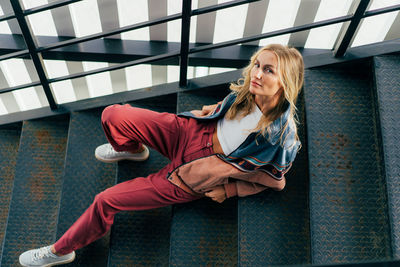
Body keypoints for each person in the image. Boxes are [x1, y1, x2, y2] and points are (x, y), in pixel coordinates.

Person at [19, 43, 304, 267]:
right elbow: (226, 108)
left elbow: (277, 182)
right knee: (113, 115)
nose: (256, 74)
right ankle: (132, 149)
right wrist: (206, 112)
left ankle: (60, 251)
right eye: (257, 64)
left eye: (268, 70)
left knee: (105, 200)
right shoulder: (249, 90)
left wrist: (229, 190)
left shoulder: (281, 138)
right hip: (189, 132)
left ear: (285, 82)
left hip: (191, 176)